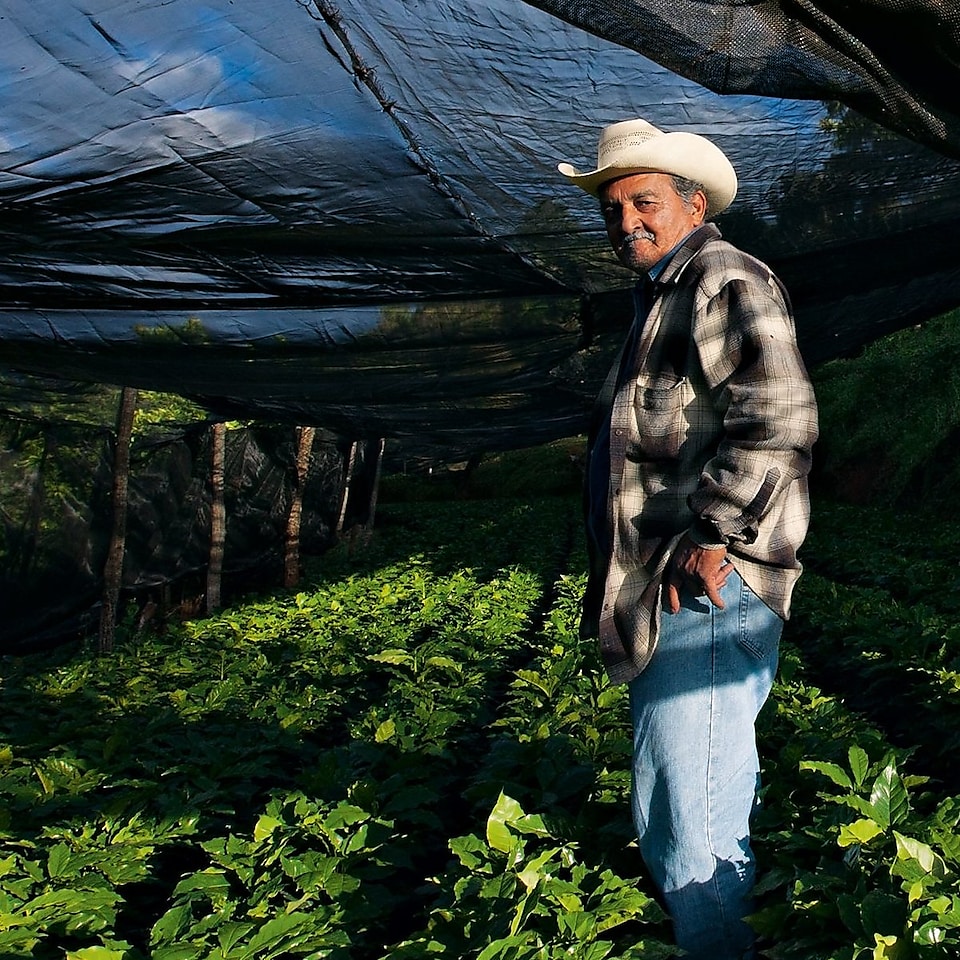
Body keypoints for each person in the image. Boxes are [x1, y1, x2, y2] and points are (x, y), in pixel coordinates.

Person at [558, 119, 819, 959]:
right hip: (669, 587)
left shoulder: (721, 275)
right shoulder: (657, 300)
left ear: (693, 203)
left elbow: (779, 413)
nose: (625, 219)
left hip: (706, 584)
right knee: (676, 798)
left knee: (692, 812)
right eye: (612, 207)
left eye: (644, 201)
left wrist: (714, 534)